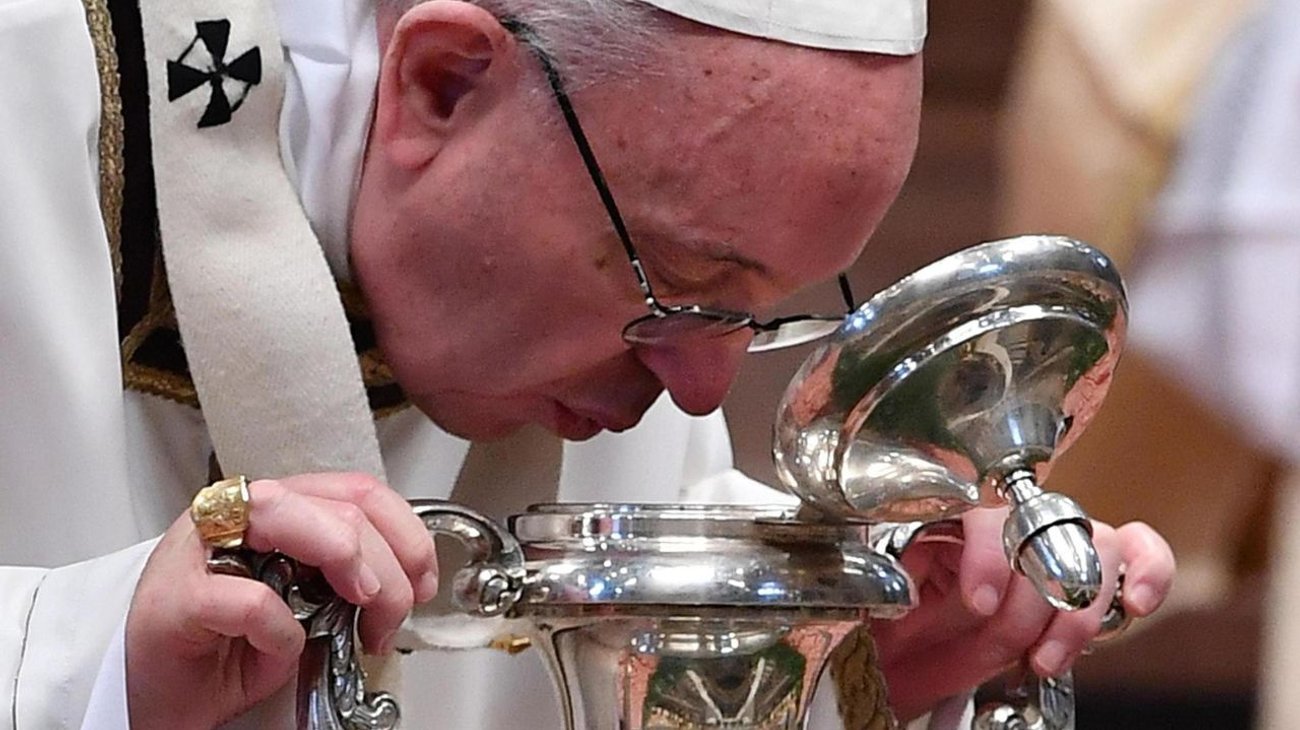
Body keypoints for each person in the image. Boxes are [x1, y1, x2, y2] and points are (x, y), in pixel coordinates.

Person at [0, 1, 1175, 729]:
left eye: (759, 317)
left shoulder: (617, 312)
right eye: (674, 284)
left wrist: (868, 671)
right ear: (442, 83)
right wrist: (81, 669)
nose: (702, 390)